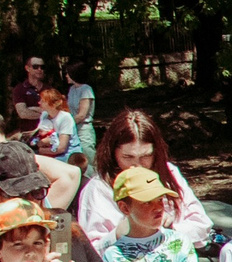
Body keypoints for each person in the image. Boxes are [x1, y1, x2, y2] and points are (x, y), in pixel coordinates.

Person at [78, 110, 214, 248]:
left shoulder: (168, 172)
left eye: (145, 156)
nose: (137, 165)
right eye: (128, 157)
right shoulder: (99, 188)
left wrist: (170, 229)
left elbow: (202, 226)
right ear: (113, 153)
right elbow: (92, 251)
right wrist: (122, 234)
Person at [62, 58, 98, 167]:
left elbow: (82, 115)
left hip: (84, 130)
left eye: (68, 73)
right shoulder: (72, 89)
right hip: (73, 129)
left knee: (88, 158)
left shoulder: (86, 90)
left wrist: (66, 123)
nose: (66, 76)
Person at [31, 88, 78, 160]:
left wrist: (39, 151)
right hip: (50, 153)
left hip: (68, 156)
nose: (39, 103)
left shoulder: (65, 118)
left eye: (43, 101)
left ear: (53, 104)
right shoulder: (44, 115)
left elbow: (61, 148)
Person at [11, 56, 48, 136]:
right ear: (27, 68)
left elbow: (56, 111)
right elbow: (23, 113)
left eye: (42, 67)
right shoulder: (20, 89)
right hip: (27, 134)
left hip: (47, 134)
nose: (39, 69)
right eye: (35, 67)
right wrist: (45, 114)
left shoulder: (49, 89)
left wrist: (32, 109)